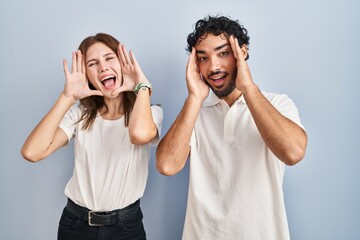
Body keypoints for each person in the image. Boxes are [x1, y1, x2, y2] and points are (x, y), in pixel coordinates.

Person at [156, 15, 307, 240]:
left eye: (223, 53)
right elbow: (167, 165)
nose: (213, 66)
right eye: (203, 58)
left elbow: (293, 153)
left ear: (242, 52)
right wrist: (194, 98)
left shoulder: (277, 104)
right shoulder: (195, 113)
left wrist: (248, 87)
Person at [21, 33, 163, 240]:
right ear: (86, 75)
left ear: (123, 63)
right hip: (76, 225)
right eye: (93, 63)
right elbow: (31, 152)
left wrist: (141, 86)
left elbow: (140, 134)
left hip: (126, 227)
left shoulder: (150, 113)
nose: (103, 67)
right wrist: (67, 97)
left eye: (109, 58)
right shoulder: (81, 115)